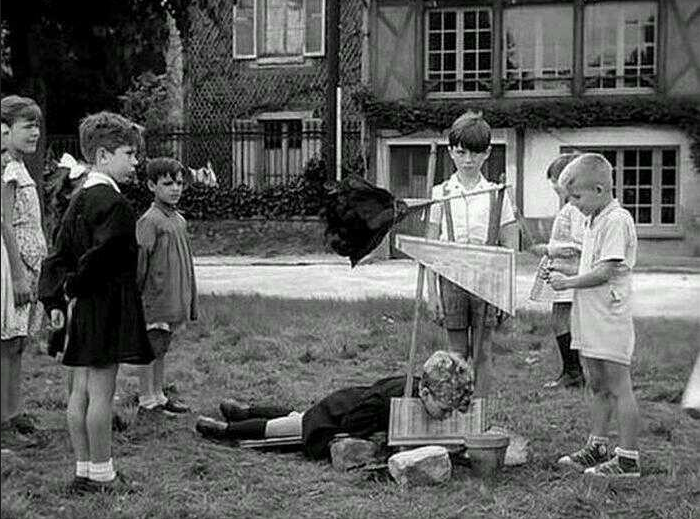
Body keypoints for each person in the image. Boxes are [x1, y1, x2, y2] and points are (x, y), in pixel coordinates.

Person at [38, 111, 154, 493]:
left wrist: (57, 297)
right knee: (102, 393)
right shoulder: (114, 204)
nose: (135, 162)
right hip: (104, 304)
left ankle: (83, 470)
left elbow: (57, 254)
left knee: (80, 391)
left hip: (79, 310)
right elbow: (103, 256)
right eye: (128, 153)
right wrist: (77, 283)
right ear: (103, 156)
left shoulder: (78, 198)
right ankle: (103, 474)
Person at [196, 350, 474, 461]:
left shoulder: (418, 392)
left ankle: (244, 410)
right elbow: (354, 424)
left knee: (296, 415)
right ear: (424, 393)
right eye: (445, 409)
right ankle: (226, 428)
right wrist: (377, 439)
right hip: (337, 414)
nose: (446, 416)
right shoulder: (390, 402)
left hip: (348, 400)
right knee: (285, 428)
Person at [550, 153, 641, 478]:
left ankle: (628, 459)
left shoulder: (617, 220)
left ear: (600, 189)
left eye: (576, 197)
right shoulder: (593, 219)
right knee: (597, 384)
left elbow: (604, 272)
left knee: (619, 386)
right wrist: (563, 267)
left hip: (610, 316)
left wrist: (569, 281)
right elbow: (591, 266)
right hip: (589, 316)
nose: (573, 205)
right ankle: (598, 445)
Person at [427, 112, 516, 394]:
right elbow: (430, 249)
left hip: (486, 279)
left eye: (476, 153)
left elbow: (509, 248)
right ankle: (456, 408)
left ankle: (480, 411)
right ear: (451, 151)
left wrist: (506, 294)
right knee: (456, 353)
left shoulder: (497, 194)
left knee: (482, 351)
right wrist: (432, 294)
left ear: (487, 153)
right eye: (461, 152)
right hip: (451, 279)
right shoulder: (440, 193)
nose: (468, 160)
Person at [0, 96, 48, 434]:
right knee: (7, 341)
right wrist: (17, 275)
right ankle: (5, 417)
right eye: (27, 126)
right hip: (11, 264)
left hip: (30, 264)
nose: (35, 132)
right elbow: (4, 221)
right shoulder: (6, 169)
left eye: (37, 126)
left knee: (18, 342)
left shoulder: (19, 165)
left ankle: (14, 411)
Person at [135, 157, 197, 415]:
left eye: (179, 183)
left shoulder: (179, 220)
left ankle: (159, 394)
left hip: (173, 295)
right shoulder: (149, 220)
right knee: (151, 345)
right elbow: (141, 261)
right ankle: (146, 397)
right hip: (154, 295)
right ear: (152, 186)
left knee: (162, 346)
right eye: (168, 183)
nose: (175, 189)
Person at [529, 153, 586, 388]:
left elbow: (578, 245)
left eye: (555, 180)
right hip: (561, 271)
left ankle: (574, 372)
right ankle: (572, 369)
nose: (553, 186)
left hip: (569, 272)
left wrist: (548, 249)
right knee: (559, 320)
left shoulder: (576, 209)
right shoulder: (569, 207)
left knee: (562, 320)